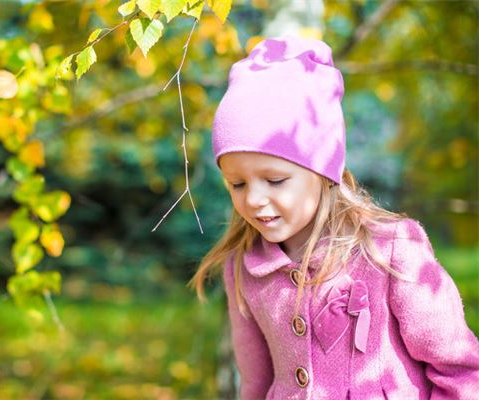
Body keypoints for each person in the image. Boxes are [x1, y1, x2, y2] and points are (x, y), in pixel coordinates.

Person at [189, 35, 479, 399]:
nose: (254, 199)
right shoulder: (245, 269)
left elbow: (461, 371)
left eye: (275, 180)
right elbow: (255, 385)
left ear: (323, 171)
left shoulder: (389, 250)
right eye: (237, 184)